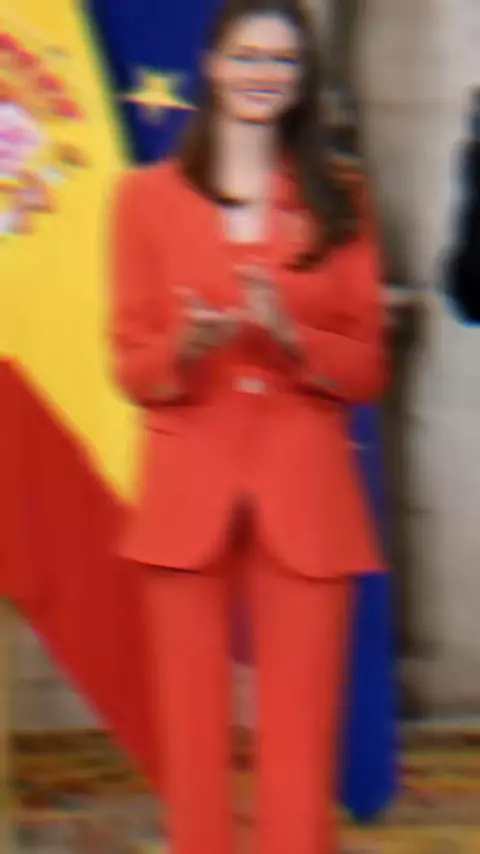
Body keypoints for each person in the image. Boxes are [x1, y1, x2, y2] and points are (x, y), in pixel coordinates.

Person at [108, 1, 387, 853]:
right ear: (213, 64)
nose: (264, 74)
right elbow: (130, 363)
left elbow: (367, 367)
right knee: (190, 736)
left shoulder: (341, 197)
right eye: (248, 55)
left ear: (302, 81)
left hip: (305, 493)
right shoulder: (143, 199)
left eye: (283, 60)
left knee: (300, 737)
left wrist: (293, 335)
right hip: (186, 494)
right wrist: (185, 347)